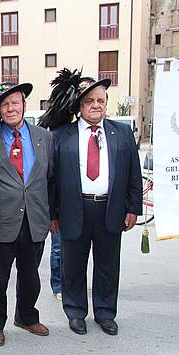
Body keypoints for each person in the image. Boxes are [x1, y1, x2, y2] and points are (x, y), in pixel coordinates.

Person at [47, 76, 142, 336]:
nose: (95, 105)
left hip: (110, 209)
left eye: (100, 100)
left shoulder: (121, 132)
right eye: (89, 101)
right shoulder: (60, 136)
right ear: (80, 105)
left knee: (108, 266)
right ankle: (76, 312)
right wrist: (52, 214)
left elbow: (134, 173)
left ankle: (105, 313)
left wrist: (133, 208)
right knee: (73, 265)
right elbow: (51, 180)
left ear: (106, 103)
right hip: (74, 210)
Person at [0, 83, 53, 347]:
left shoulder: (44, 137)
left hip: (35, 220)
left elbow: (50, 179)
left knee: (31, 274)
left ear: (24, 104)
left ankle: (27, 317)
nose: (11, 108)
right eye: (5, 104)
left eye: (15, 103)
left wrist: (52, 215)